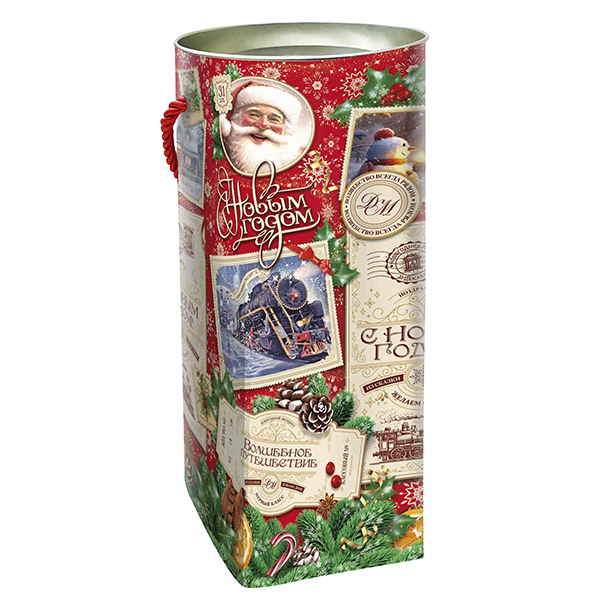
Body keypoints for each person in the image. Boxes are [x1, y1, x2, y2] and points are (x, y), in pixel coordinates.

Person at [220, 81, 307, 174]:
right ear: (237, 118)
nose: (263, 125)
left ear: (286, 127)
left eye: (274, 119)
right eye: (253, 115)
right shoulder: (221, 151)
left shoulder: (303, 158)